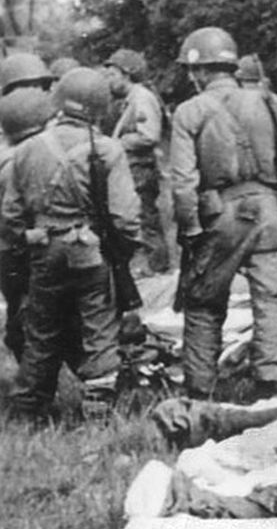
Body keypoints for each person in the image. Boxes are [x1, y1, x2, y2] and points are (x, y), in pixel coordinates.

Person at [167, 26, 277, 401]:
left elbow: (182, 182)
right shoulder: (271, 102)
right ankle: (271, 386)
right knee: (268, 301)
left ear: (199, 71)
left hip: (217, 217)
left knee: (204, 303)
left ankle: (199, 390)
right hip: (269, 213)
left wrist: (189, 229)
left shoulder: (190, 112)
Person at [0, 67, 140, 421]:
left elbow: (11, 215)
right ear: (100, 107)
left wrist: (28, 241)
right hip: (90, 250)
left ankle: (28, 411)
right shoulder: (108, 149)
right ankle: (99, 409)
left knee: (41, 333)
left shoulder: (28, 149)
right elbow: (125, 217)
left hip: (44, 250)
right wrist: (120, 252)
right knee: (99, 329)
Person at [0, 84, 55, 362]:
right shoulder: (22, 160)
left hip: (9, 249)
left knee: (18, 308)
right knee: (34, 314)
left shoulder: (7, 158)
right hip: (25, 246)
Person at [107, 48, 168, 273]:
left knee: (146, 219)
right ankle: (152, 265)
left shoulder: (141, 98)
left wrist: (118, 143)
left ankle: (158, 267)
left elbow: (149, 135)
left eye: (113, 75)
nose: (109, 80)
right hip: (134, 168)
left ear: (127, 74)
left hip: (141, 168)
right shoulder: (130, 99)